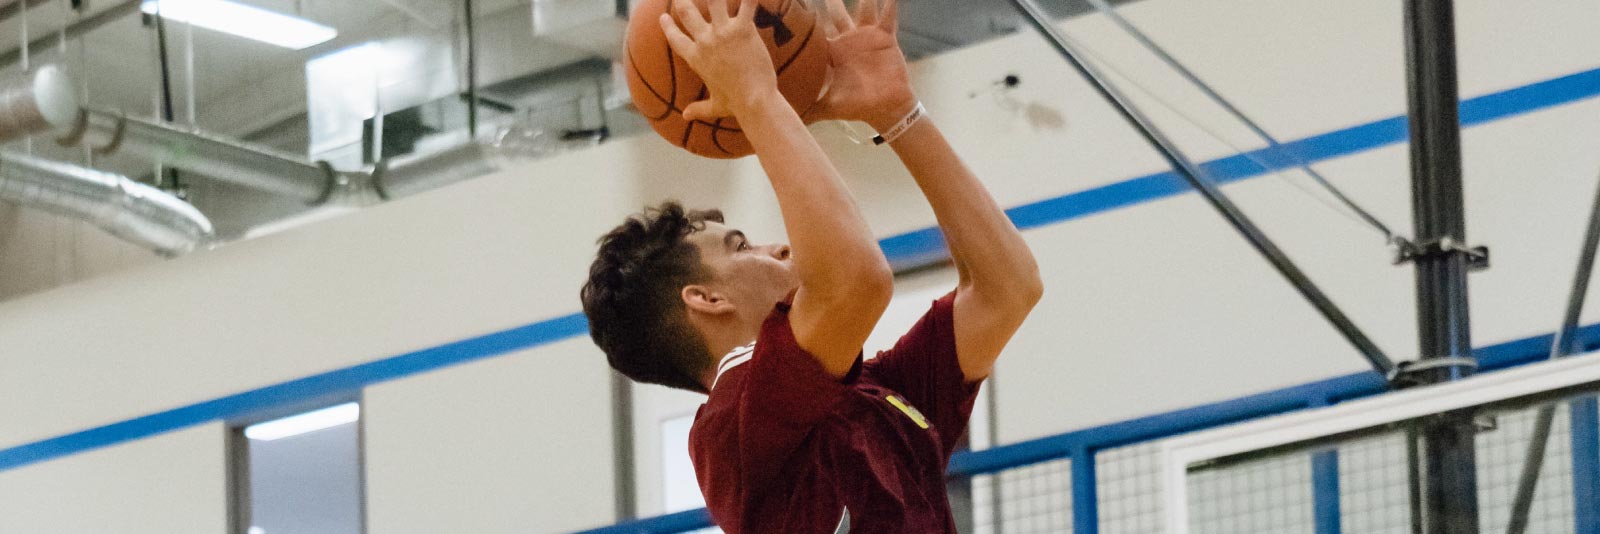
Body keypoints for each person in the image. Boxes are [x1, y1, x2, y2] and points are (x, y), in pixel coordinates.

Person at [580, 0, 1041, 530]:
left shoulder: (872, 394)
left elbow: (1008, 288)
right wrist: (755, 98)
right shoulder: (735, 423)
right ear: (706, 299)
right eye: (739, 246)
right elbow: (856, 281)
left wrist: (898, 113)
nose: (776, 248)